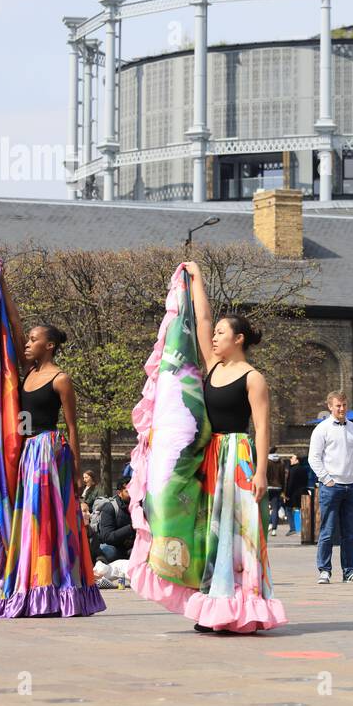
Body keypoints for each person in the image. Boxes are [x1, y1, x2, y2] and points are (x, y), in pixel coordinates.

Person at [125, 261, 285, 633]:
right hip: (209, 456)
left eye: (223, 334)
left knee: (237, 532)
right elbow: (202, 320)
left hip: (239, 457)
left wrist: (261, 472)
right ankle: (213, 604)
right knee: (208, 530)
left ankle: (241, 606)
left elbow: (262, 429)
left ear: (239, 339)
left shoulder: (253, 378)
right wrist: (196, 280)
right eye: (216, 334)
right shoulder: (211, 366)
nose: (214, 338)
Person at [0, 260, 102, 616]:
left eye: (35, 340)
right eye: (28, 339)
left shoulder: (61, 379)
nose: (27, 343)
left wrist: (77, 469)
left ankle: (58, 588)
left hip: (51, 450)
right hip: (28, 452)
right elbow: (14, 328)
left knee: (53, 520)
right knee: (29, 519)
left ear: (49, 346)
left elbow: (74, 427)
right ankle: (32, 586)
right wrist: (3, 288)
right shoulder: (25, 372)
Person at [309, 390, 353, 584]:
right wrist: (326, 479)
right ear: (330, 407)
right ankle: (324, 570)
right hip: (331, 486)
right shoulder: (322, 429)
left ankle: (349, 570)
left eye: (344, 405)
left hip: (351, 486)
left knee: (349, 533)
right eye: (338, 405)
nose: (342, 408)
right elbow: (314, 457)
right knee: (327, 531)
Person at [96, 477, 135, 563]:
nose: (133, 494)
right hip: (115, 548)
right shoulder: (110, 508)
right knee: (108, 551)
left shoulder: (140, 507)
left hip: (134, 548)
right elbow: (107, 537)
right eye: (128, 491)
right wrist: (130, 528)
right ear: (119, 493)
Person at [282, 454, 307, 537]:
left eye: (292, 458)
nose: (290, 460)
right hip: (303, 492)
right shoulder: (304, 469)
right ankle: (302, 527)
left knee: (288, 509)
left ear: (297, 460)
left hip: (293, 494)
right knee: (300, 510)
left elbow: (290, 483)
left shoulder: (293, 470)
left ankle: (293, 528)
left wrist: (287, 495)